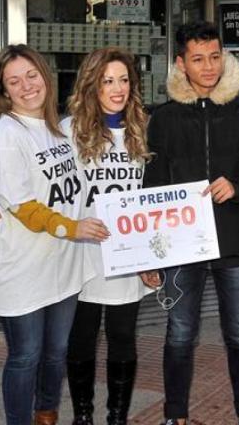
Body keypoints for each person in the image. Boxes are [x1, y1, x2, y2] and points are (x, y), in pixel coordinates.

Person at [144, 21, 239, 425]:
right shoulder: (163, 118)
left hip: (236, 245)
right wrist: (152, 252)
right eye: (198, 59)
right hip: (182, 247)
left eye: (215, 56)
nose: (209, 67)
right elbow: (152, 187)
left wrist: (238, 188)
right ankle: (175, 415)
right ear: (182, 64)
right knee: (180, 332)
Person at [0, 45, 109, 425]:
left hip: (63, 265)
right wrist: (73, 228)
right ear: (3, 91)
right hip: (22, 269)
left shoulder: (60, 129)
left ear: (44, 76)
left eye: (31, 75)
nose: (26, 86)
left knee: (56, 352)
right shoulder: (7, 134)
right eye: (14, 81)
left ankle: (46, 415)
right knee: (26, 355)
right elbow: (25, 208)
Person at [63, 48, 162, 425]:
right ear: (92, 84)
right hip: (83, 252)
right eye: (108, 81)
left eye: (123, 80)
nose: (117, 88)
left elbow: (156, 198)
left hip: (128, 255)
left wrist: (154, 259)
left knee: (122, 337)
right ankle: (83, 416)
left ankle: (117, 417)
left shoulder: (143, 130)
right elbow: (43, 183)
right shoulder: (69, 131)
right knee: (81, 338)